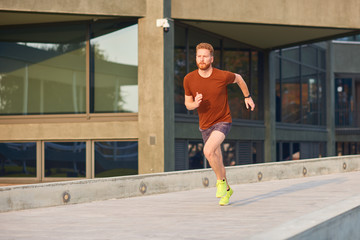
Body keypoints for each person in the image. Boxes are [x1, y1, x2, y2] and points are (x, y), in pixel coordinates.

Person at [183, 42, 255, 206]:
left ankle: (220, 183)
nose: (201, 59)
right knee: (217, 160)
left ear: (211, 59)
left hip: (223, 120)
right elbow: (188, 104)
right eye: (199, 56)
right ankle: (227, 189)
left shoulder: (222, 76)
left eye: (205, 56)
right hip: (205, 125)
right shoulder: (189, 79)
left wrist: (247, 96)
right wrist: (196, 103)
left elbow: (239, 78)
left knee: (208, 151)